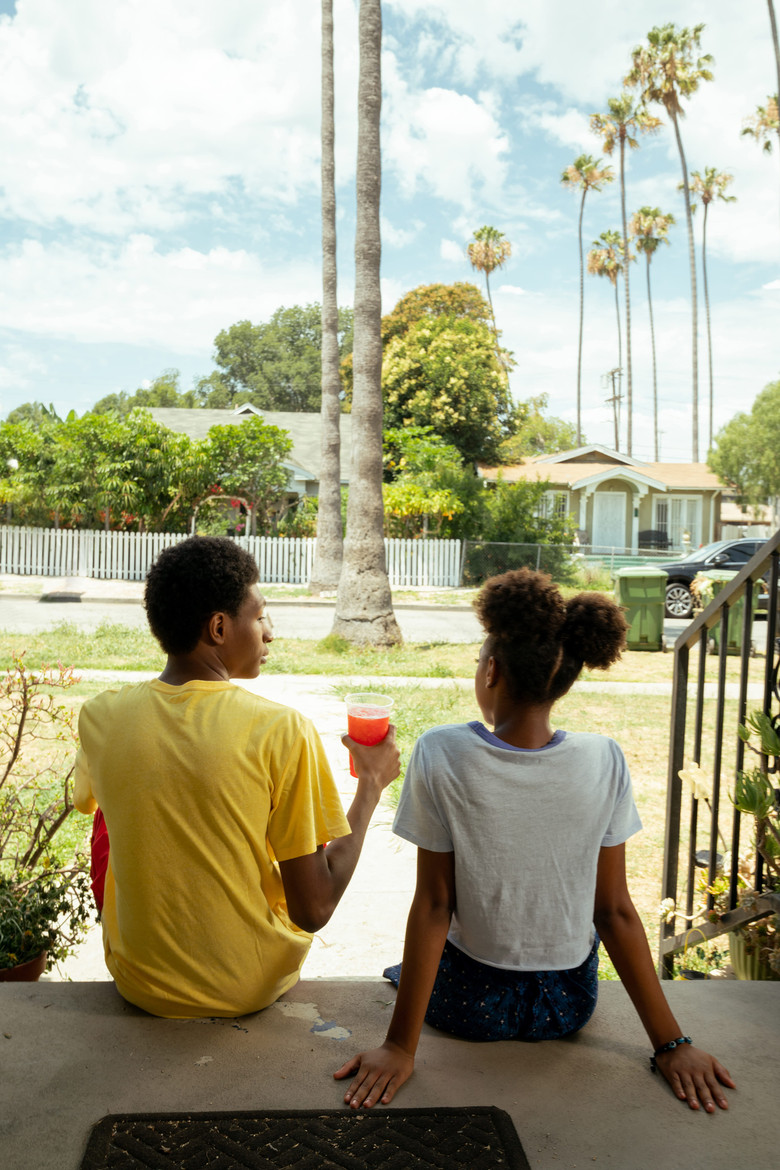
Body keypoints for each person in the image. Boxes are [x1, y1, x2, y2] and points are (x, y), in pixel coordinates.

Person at [335, 568, 735, 1113]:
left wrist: (399, 1047)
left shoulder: (442, 751)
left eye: (480, 659)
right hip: (568, 1004)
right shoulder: (605, 758)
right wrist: (672, 1044)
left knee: (418, 956)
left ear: (492, 670)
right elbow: (614, 910)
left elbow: (434, 905)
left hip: (468, 1004)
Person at [74, 535, 399, 1018]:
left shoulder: (100, 717)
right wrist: (371, 785)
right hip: (246, 986)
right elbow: (314, 909)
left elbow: (95, 807)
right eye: (261, 615)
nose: (270, 633)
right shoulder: (280, 730)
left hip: (140, 981)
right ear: (220, 627)